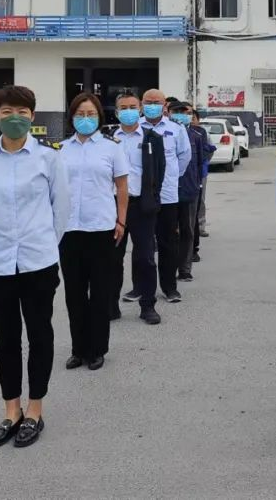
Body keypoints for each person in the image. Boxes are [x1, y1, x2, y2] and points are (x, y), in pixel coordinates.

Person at [0, 85, 69, 449]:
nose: (15, 118)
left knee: (40, 335)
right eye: (8, 112)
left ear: (33, 116)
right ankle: (11, 411)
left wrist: (41, 243)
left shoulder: (48, 159)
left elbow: (61, 210)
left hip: (38, 262)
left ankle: (35, 410)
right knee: (6, 339)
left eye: (23, 112)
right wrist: (2, 239)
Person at [59, 92, 129, 371]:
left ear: (99, 117)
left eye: (90, 114)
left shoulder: (112, 148)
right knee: (74, 294)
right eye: (80, 114)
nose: (85, 119)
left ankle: (98, 349)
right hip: (69, 230)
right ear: (72, 117)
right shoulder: (60, 149)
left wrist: (121, 221)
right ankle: (78, 349)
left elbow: (122, 187)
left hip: (102, 229)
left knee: (100, 293)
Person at [111, 90, 166, 325]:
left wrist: (152, 197)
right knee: (112, 259)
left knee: (145, 258)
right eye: (123, 108)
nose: (128, 112)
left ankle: (148, 306)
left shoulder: (152, 138)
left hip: (142, 206)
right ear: (116, 112)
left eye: (133, 107)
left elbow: (159, 170)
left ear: (140, 110)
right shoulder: (107, 139)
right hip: (112, 207)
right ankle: (111, 305)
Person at [136, 88, 191, 304]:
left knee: (168, 242)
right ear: (142, 104)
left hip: (167, 195)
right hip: (140, 195)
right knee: (142, 244)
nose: (152, 106)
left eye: (156, 102)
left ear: (164, 105)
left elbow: (184, 157)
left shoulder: (176, 129)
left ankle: (170, 287)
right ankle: (140, 287)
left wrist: (171, 177)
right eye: (148, 102)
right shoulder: (135, 128)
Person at [169, 101, 205, 282]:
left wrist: (197, 185)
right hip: (168, 191)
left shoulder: (196, 136)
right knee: (168, 232)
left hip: (189, 189)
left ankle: (184, 269)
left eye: (185, 112)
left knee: (187, 231)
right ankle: (169, 269)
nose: (181, 115)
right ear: (168, 113)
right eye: (177, 112)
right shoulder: (164, 134)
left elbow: (200, 163)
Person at [189, 109, 216, 259]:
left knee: (200, 201)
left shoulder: (202, 133)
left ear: (198, 120)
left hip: (200, 173)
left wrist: (204, 163)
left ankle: (201, 226)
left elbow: (209, 150)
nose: (191, 119)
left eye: (193, 117)